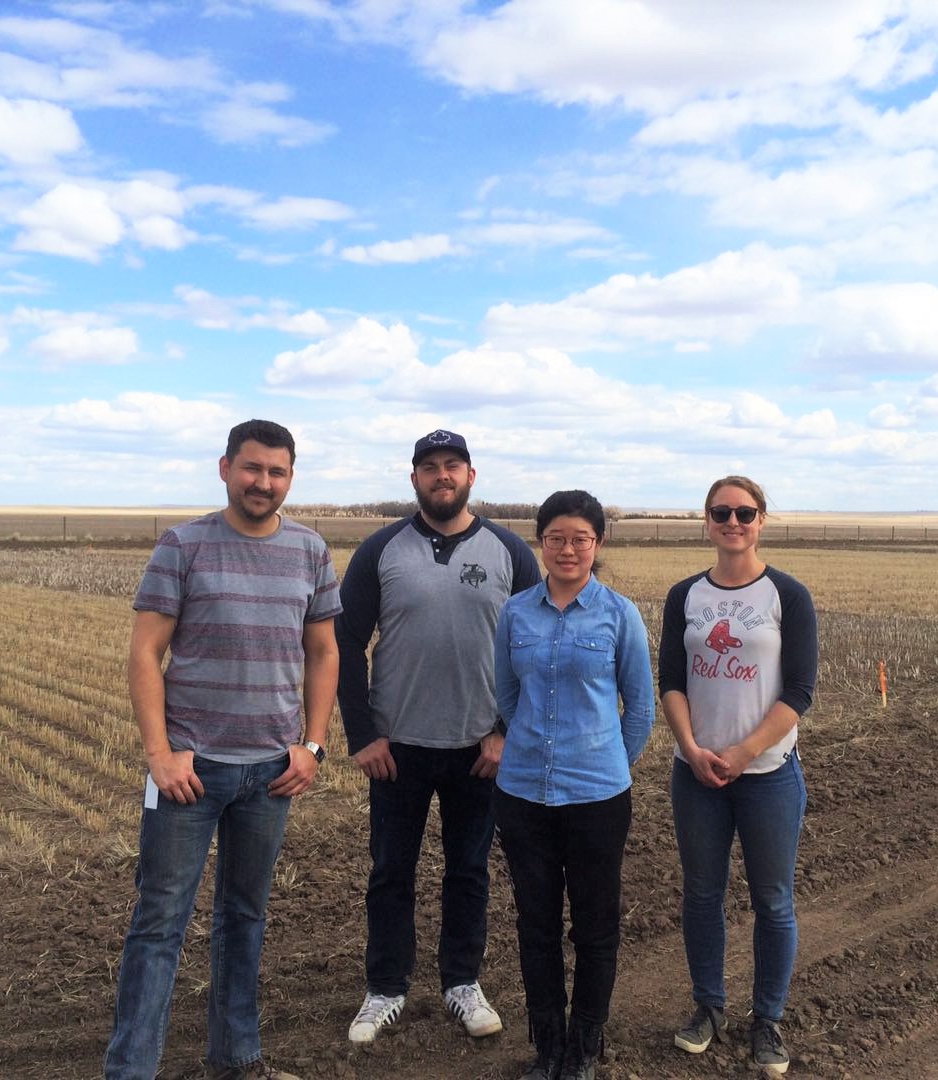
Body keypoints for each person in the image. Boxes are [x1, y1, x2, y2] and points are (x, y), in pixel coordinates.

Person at [104, 419, 341, 1080]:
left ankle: (236, 1062)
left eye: (277, 471)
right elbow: (145, 653)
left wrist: (312, 746)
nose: (263, 482)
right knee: (158, 926)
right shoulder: (184, 545)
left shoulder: (309, 551)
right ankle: (130, 1072)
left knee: (245, 919)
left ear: (290, 477)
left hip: (271, 774)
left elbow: (323, 651)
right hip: (191, 773)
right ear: (225, 468)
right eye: (252, 468)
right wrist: (160, 753)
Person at [337, 429, 540, 1044]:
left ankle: (461, 982)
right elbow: (344, 644)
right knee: (390, 871)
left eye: (452, 466)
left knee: (469, 870)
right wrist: (364, 734)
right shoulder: (380, 550)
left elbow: (535, 643)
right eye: (430, 467)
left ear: (471, 476)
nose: (441, 476)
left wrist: (505, 731)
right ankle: (386, 989)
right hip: (397, 748)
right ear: (414, 479)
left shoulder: (509, 551)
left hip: (479, 748)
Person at [491, 490, 655, 1080]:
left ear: (598, 544)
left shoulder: (619, 614)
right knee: (534, 922)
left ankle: (586, 1045)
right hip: (523, 795)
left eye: (580, 539)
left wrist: (610, 761)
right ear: (541, 542)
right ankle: (547, 1044)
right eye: (556, 537)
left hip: (598, 799)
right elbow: (506, 694)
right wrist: (533, 746)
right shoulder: (516, 613)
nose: (567, 549)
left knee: (594, 924)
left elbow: (640, 706)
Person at [659, 476, 817, 1076]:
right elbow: (671, 678)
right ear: (706, 520)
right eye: (721, 512)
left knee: (773, 900)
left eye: (744, 512)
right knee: (702, 895)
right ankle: (708, 1008)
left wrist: (745, 752)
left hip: (769, 775)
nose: (733, 521)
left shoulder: (787, 595)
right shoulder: (685, 596)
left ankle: (768, 1020)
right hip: (696, 773)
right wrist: (692, 748)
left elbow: (800, 690)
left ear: (761, 521)